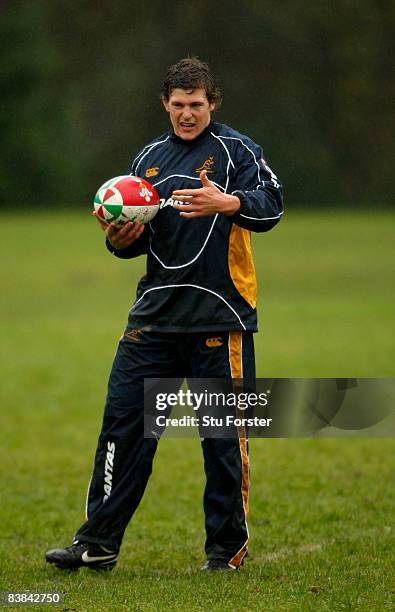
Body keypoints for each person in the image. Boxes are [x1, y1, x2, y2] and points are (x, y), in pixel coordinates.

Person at [45, 57, 283, 572]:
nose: (187, 114)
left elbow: (273, 205)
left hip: (219, 318)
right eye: (178, 105)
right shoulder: (147, 159)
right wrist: (118, 239)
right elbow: (136, 241)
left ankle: (225, 551)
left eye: (196, 105)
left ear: (212, 104)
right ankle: (97, 542)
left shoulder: (236, 151)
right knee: (122, 427)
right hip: (152, 320)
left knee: (222, 441)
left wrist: (230, 202)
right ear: (165, 105)